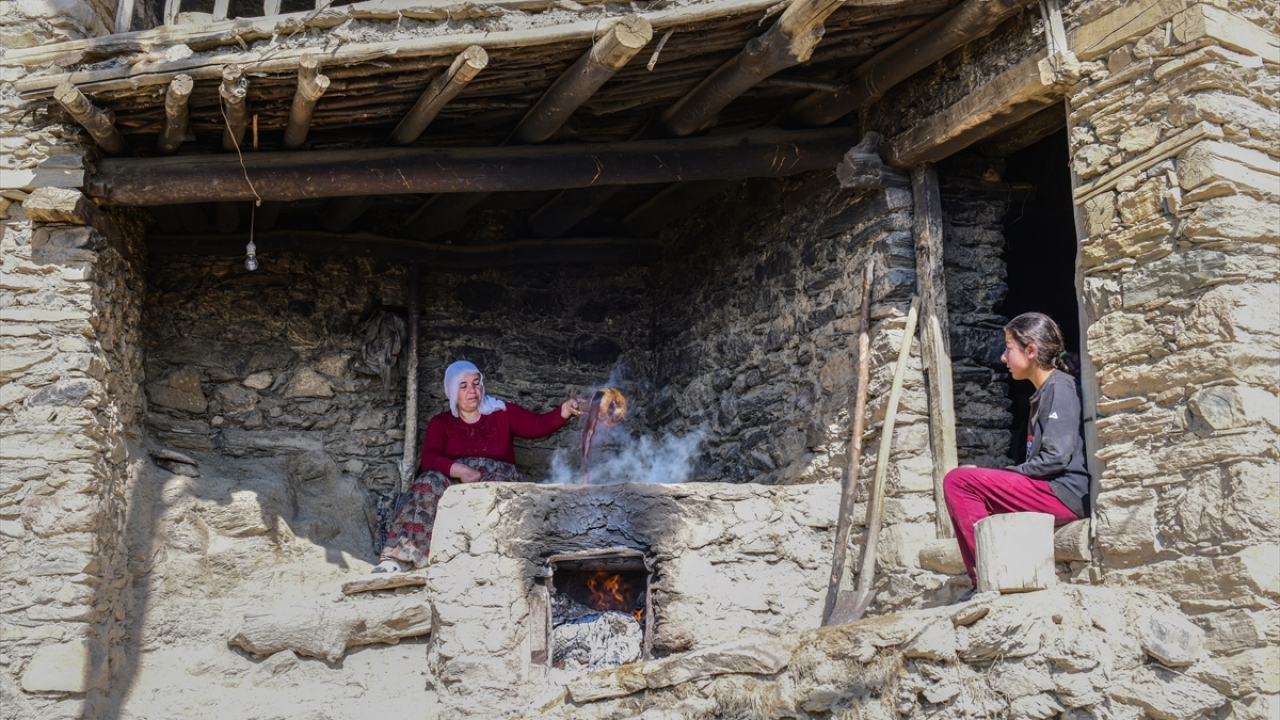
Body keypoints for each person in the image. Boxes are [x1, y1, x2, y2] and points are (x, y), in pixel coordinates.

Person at [374, 360, 582, 573]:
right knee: (426, 484)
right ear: (452, 391)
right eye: (463, 386)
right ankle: (399, 558)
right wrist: (460, 470)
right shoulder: (442, 422)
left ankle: (501, 560)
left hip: (497, 476)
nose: (472, 390)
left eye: (476, 383)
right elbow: (430, 458)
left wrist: (564, 410)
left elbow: (537, 425)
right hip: (455, 478)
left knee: (501, 491)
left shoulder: (502, 412)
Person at [943, 312, 1090, 602]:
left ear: (1031, 351)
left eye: (1009, 348)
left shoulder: (1059, 387)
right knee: (971, 487)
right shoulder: (1046, 391)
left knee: (959, 481)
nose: (1002, 357)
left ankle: (986, 577)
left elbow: (1056, 458)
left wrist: (1007, 475)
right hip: (1049, 489)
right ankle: (997, 570)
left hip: (1062, 492)